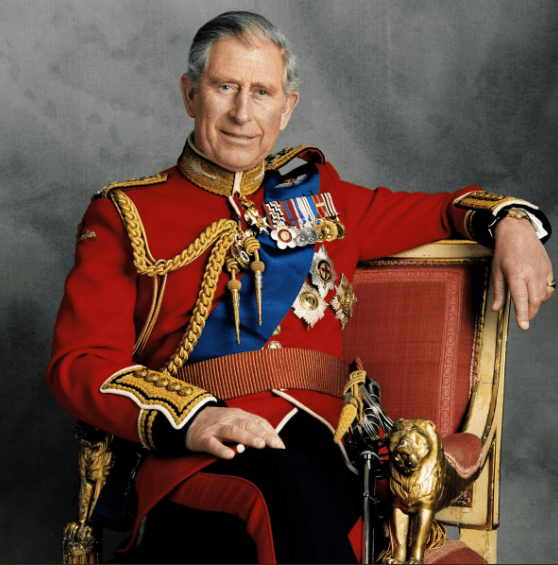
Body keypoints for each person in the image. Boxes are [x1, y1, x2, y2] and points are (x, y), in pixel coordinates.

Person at [48, 11, 554, 564]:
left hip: (326, 447)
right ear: (191, 94)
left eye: (261, 92)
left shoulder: (321, 195)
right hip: (199, 454)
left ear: (286, 108)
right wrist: (193, 418)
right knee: (284, 482)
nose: (243, 113)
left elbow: (440, 211)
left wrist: (511, 223)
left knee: (311, 477)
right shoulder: (125, 213)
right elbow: (81, 364)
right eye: (225, 87)